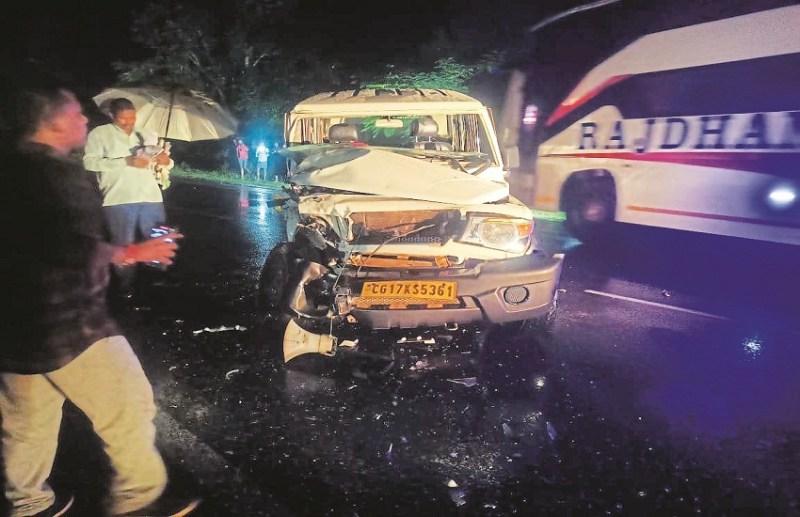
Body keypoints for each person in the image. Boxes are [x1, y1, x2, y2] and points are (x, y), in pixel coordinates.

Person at [0, 82, 200, 516]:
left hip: (14, 327)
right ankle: (142, 498)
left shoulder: (10, 169)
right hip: (68, 322)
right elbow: (67, 246)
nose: (84, 120)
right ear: (51, 122)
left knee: (26, 424)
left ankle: (28, 504)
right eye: (75, 114)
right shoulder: (58, 172)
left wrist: (159, 162)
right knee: (130, 403)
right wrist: (129, 252)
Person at [83, 98, 174, 301]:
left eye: (132, 118)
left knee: (160, 237)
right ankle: (126, 288)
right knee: (125, 245)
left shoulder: (145, 133)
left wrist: (165, 160)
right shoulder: (100, 134)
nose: (128, 122)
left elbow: (164, 162)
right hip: (118, 197)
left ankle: (158, 281)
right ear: (112, 115)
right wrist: (126, 161)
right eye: (123, 119)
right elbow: (89, 162)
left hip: (150, 195)